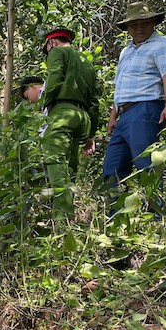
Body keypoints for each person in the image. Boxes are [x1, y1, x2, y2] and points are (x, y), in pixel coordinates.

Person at [103, 1, 166, 199]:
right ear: (127, 28)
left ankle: (155, 219)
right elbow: (120, 84)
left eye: (144, 23)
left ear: (153, 22)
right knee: (113, 167)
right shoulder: (126, 52)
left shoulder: (162, 44)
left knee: (146, 166)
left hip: (145, 110)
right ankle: (116, 218)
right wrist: (113, 116)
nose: (139, 28)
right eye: (134, 24)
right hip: (124, 114)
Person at [40, 26, 101, 217]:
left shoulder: (57, 52)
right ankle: (70, 211)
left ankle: (62, 219)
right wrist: (91, 135)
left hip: (62, 114)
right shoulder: (87, 62)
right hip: (82, 119)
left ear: (52, 42)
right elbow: (94, 101)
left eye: (47, 48)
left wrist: (40, 108)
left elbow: (55, 77)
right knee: (71, 167)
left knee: (55, 162)